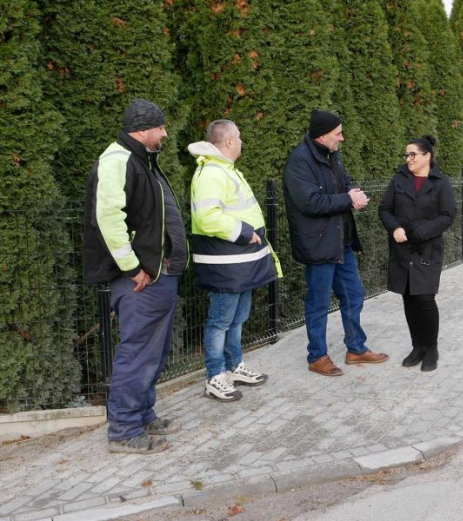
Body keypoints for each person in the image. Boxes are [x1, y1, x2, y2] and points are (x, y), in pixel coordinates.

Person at [83, 99, 188, 453]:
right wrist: (132, 268)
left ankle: (142, 415)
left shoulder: (142, 160)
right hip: (141, 280)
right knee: (138, 353)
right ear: (143, 129)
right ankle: (125, 431)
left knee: (153, 353)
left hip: (158, 274)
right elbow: (108, 219)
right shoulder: (118, 160)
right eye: (160, 127)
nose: (165, 133)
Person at [283, 109, 389, 376]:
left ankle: (356, 348)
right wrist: (347, 199)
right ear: (322, 135)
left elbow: (343, 182)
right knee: (318, 303)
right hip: (318, 245)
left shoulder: (332, 155)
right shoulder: (299, 162)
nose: (342, 138)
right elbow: (309, 202)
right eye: (337, 133)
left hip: (341, 242)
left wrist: (353, 191)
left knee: (354, 295)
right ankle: (317, 356)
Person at [189, 120, 282, 402]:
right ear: (228, 142)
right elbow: (207, 218)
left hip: (240, 263)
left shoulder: (227, 171)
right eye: (238, 138)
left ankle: (234, 366)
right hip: (225, 265)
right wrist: (245, 233)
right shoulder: (211, 174)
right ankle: (214, 376)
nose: (242, 142)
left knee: (238, 317)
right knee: (220, 321)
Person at [378, 135, 456, 372]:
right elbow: (384, 209)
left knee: (424, 298)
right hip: (402, 250)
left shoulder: (440, 182)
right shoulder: (399, 180)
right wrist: (395, 227)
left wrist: (422, 232)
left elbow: (448, 215)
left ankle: (431, 349)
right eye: (407, 154)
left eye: (413, 154)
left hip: (427, 250)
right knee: (409, 298)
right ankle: (417, 347)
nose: (408, 159)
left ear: (427, 156)